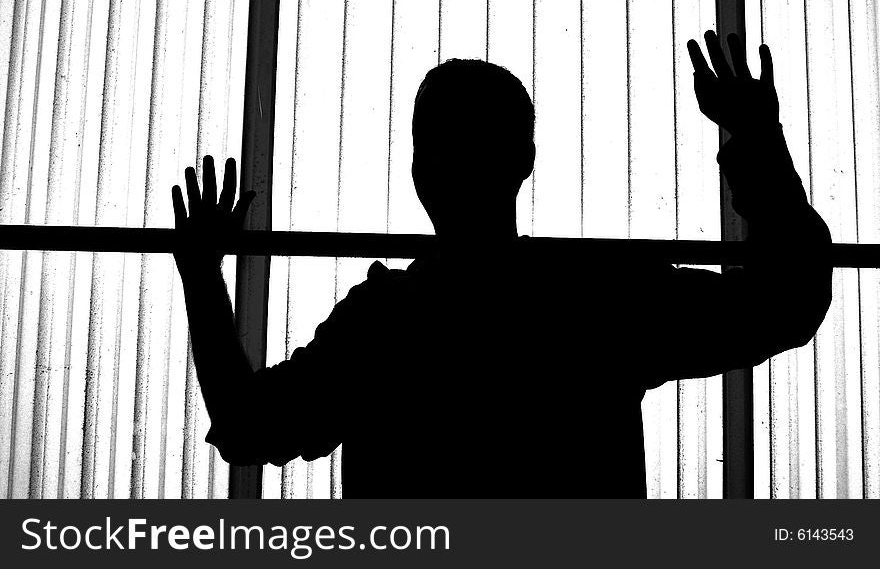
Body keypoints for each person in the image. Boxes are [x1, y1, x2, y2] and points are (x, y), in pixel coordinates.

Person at [171, 31, 832, 497]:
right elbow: (788, 303)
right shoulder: (598, 300)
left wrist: (201, 272)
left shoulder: (385, 326)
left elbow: (248, 425)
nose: (440, 161)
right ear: (524, 162)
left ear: (416, 171)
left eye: (442, 144)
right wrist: (756, 139)